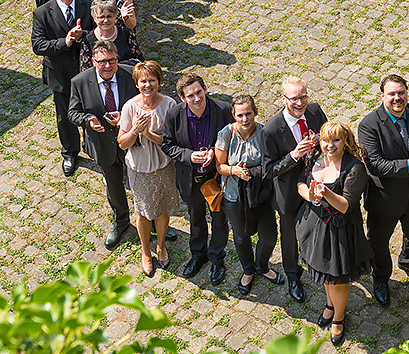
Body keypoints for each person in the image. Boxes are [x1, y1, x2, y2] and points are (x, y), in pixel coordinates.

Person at [357, 74, 409, 308]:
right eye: (391, 94)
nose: (397, 98)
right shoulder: (369, 125)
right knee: (378, 242)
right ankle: (380, 279)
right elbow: (375, 164)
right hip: (385, 198)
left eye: (401, 92)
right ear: (382, 96)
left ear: (407, 93)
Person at [296, 121, 374, 346]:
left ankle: (339, 317)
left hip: (340, 230)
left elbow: (346, 205)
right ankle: (330, 305)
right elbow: (301, 182)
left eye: (336, 140)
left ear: (345, 141)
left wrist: (326, 192)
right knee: (324, 274)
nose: (329, 145)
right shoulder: (314, 157)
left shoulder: (355, 168)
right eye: (325, 140)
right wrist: (310, 195)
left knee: (338, 280)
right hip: (316, 224)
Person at [259, 76, 327, 303]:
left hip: (316, 182)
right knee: (289, 237)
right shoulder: (270, 130)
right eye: (294, 99)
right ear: (283, 98)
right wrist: (293, 155)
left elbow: (328, 137)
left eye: (303, 97)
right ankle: (293, 275)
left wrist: (320, 142)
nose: (300, 103)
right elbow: (268, 170)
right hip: (288, 193)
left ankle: (321, 263)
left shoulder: (315, 111)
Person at [160, 73, 231, 285]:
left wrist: (214, 152)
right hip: (189, 179)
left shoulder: (224, 110)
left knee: (219, 220)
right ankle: (198, 255)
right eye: (190, 96)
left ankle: (217, 259)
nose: (197, 98)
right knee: (195, 218)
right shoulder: (174, 115)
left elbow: (234, 139)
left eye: (199, 92)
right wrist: (188, 156)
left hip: (216, 178)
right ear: (183, 98)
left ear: (206, 89)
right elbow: (167, 144)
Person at [69, 39, 138, 250]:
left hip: (133, 143)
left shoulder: (130, 75)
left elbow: (146, 102)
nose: (108, 66)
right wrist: (87, 120)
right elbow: (72, 112)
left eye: (112, 60)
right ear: (93, 61)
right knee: (114, 186)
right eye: (102, 62)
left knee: (142, 183)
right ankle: (121, 221)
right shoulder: (79, 82)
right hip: (103, 145)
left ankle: (151, 219)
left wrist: (126, 118)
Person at [214, 93, 284, 296]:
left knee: (270, 236)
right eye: (240, 115)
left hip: (260, 194)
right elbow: (220, 166)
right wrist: (234, 170)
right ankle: (248, 269)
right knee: (241, 236)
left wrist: (254, 173)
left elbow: (271, 163)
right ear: (233, 115)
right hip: (234, 194)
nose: (245, 119)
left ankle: (262, 265)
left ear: (255, 113)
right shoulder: (226, 133)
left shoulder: (264, 132)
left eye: (248, 114)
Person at [116, 60, 181, 276]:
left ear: (158, 82)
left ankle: (161, 245)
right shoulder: (129, 107)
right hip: (140, 169)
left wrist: (147, 134)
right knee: (143, 214)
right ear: (136, 84)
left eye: (151, 80)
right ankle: (145, 251)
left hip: (163, 166)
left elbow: (172, 141)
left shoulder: (170, 105)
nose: (147, 85)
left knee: (162, 208)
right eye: (143, 81)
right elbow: (122, 143)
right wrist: (135, 130)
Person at [31, 0, 95, 178]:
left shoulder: (87, 6)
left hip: (87, 72)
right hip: (60, 73)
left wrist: (82, 34)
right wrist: (65, 41)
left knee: (92, 111)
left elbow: (98, 35)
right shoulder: (42, 13)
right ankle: (69, 152)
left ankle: (94, 149)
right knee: (65, 116)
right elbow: (38, 46)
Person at [79, 0, 142, 70]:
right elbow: (85, 71)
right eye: (101, 17)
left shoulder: (126, 34)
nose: (106, 20)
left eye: (109, 16)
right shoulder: (87, 40)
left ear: (115, 16)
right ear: (94, 17)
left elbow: (139, 61)